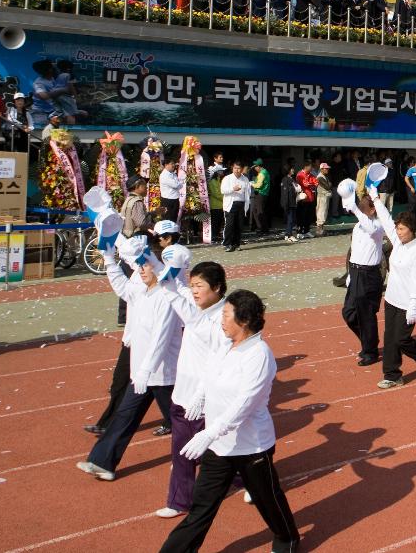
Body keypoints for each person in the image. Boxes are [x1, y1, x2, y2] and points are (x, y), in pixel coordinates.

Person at [159, 290, 300, 553]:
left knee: (267, 499)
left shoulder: (259, 355)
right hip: (220, 447)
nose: (221, 320)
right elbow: (210, 371)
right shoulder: (226, 345)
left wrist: (209, 433)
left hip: (251, 448)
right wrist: (199, 397)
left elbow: (244, 404)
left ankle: (288, 539)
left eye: (226, 315)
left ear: (244, 321)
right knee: (202, 507)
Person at [78, 235, 181, 481]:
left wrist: (146, 372)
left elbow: (161, 339)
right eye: (139, 265)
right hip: (142, 373)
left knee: (186, 426)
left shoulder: (166, 296)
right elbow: (123, 288)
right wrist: (108, 258)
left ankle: (229, 466)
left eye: (144, 265)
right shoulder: (141, 286)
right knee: (125, 416)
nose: (139, 270)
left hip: (163, 375)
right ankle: (103, 462)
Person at [158, 256, 227, 519]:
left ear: (217, 287)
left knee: (222, 453)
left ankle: (250, 482)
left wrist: (202, 394)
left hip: (207, 402)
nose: (195, 290)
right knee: (181, 452)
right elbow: (175, 292)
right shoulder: (197, 311)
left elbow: (219, 362)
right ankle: (179, 501)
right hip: (183, 397)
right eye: (193, 285)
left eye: (200, 285)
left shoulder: (222, 318)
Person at [367, 187, 416, 388]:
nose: (398, 232)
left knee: (402, 340)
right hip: (392, 299)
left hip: (407, 303)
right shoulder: (397, 241)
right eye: (398, 228)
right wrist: (376, 199)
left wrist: (414, 306)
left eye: (402, 229)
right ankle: (392, 374)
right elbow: (387, 220)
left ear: (412, 230)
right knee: (390, 339)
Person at [340, 185, 385, 367]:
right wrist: (350, 274)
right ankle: (369, 341)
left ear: (372, 209)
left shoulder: (378, 224)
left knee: (366, 314)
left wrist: (357, 210)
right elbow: (355, 250)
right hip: (356, 272)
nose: (359, 208)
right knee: (348, 312)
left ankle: (370, 351)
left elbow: (371, 229)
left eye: (363, 206)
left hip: (369, 274)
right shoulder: (358, 225)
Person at [220, 161, 249, 252]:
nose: (237, 170)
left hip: (241, 204)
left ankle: (236, 244)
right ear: (232, 168)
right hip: (230, 204)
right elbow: (223, 191)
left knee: (239, 225)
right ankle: (227, 244)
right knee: (230, 224)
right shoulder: (227, 178)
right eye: (235, 168)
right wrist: (233, 189)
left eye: (238, 168)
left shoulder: (245, 179)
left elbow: (247, 192)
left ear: (242, 169)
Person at [159, 158, 184, 224]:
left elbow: (179, 185)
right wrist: (179, 184)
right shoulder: (164, 175)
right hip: (167, 201)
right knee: (167, 220)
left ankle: (172, 234)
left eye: (174, 163)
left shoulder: (173, 174)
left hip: (175, 200)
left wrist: (179, 184)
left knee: (173, 220)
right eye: (172, 164)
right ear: (166, 165)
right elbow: (176, 185)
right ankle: (167, 234)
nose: (174, 165)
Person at [247, 159, 269, 233]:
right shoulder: (265, 172)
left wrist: (251, 183)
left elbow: (259, 185)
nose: (255, 169)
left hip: (260, 194)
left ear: (258, 166)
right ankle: (262, 228)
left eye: (255, 167)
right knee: (256, 211)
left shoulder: (262, 173)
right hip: (263, 194)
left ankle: (263, 229)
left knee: (260, 212)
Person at [314, 162, 332, 235]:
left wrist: (329, 184)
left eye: (327, 168)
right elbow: (328, 186)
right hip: (322, 196)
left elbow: (329, 184)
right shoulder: (320, 177)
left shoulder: (324, 176)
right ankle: (319, 229)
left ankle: (321, 229)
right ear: (322, 169)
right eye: (326, 168)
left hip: (325, 196)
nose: (327, 170)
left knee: (324, 212)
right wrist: (330, 184)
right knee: (321, 212)